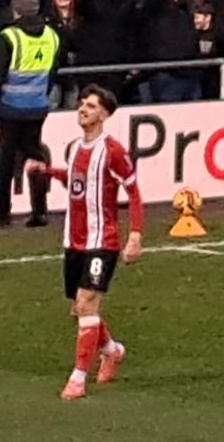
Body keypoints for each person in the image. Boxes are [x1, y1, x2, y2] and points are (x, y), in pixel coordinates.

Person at [25, 85, 143, 399]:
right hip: (73, 239)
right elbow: (78, 179)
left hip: (102, 241)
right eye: (82, 104)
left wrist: (135, 235)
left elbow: (133, 192)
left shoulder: (114, 151)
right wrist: (46, 170)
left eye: (90, 106)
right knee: (78, 308)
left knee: (87, 304)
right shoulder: (76, 147)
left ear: (104, 114)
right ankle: (112, 350)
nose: (83, 109)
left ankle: (77, 378)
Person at [0, 0, 62, 227]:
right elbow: (53, 72)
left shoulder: (9, 37)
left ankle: (2, 213)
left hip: (10, 107)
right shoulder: (52, 36)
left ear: (16, 10)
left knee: (6, 157)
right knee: (35, 154)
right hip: (37, 106)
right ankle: (40, 210)